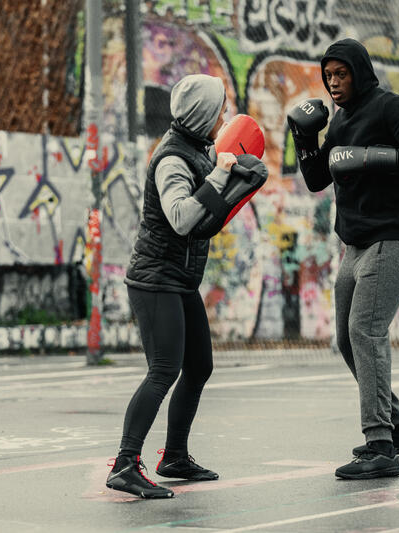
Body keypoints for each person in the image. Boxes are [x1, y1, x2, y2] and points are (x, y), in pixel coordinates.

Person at [286, 38, 399, 479]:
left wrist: (373, 158)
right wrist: (304, 138)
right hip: (355, 245)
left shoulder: (390, 108)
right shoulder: (339, 122)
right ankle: (398, 429)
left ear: (359, 71)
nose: (334, 83)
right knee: (346, 337)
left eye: (341, 74)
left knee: (365, 330)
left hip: (394, 237)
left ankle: (380, 446)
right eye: (328, 76)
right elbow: (319, 177)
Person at [106, 74, 235, 499]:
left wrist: (236, 180)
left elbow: (211, 204)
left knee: (199, 367)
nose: (225, 115)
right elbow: (181, 216)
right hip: (155, 279)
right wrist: (220, 178)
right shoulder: (172, 160)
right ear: (203, 115)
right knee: (164, 369)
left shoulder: (199, 149)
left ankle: (174, 456)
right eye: (220, 108)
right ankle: (126, 463)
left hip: (179, 280)